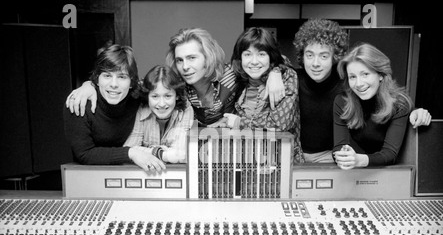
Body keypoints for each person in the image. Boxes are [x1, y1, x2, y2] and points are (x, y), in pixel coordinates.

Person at [66, 28, 286, 127]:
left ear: (207, 57)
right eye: (180, 60)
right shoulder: (176, 85)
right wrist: (90, 84)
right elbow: (128, 84)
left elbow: (264, 60)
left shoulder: (232, 73)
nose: (185, 67)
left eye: (191, 58)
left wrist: (277, 70)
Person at [292, 18, 432, 164]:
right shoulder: (292, 80)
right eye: (309, 55)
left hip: (336, 160)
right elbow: (274, 60)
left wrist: (416, 112)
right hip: (297, 155)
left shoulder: (348, 88)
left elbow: (395, 105)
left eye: (324, 56)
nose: (315, 63)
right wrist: (275, 73)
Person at [63, 44, 165, 173]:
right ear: (97, 79)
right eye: (107, 76)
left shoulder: (137, 96)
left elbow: (169, 91)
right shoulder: (80, 104)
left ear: (131, 82)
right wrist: (131, 153)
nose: (114, 84)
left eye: (122, 77)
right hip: (87, 176)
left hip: (129, 173)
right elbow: (84, 154)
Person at [208, 27, 304, 163]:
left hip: (281, 161)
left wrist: (238, 123)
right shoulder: (239, 80)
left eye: (261, 54)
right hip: (248, 160)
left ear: (271, 56)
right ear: (240, 58)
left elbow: (281, 124)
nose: (254, 61)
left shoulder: (286, 76)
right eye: (247, 54)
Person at [333, 43, 414, 169]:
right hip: (354, 170)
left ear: (381, 74)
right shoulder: (342, 101)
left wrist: (359, 160)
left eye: (365, 74)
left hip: (390, 171)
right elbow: (338, 147)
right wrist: (344, 157)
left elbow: (390, 154)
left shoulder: (399, 104)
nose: (359, 83)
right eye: (353, 77)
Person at [124, 65, 194, 165]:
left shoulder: (186, 109)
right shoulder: (140, 109)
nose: (161, 104)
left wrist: (149, 152)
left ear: (177, 95)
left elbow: (180, 154)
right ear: (147, 96)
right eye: (155, 96)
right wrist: (162, 154)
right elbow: (129, 149)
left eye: (168, 96)